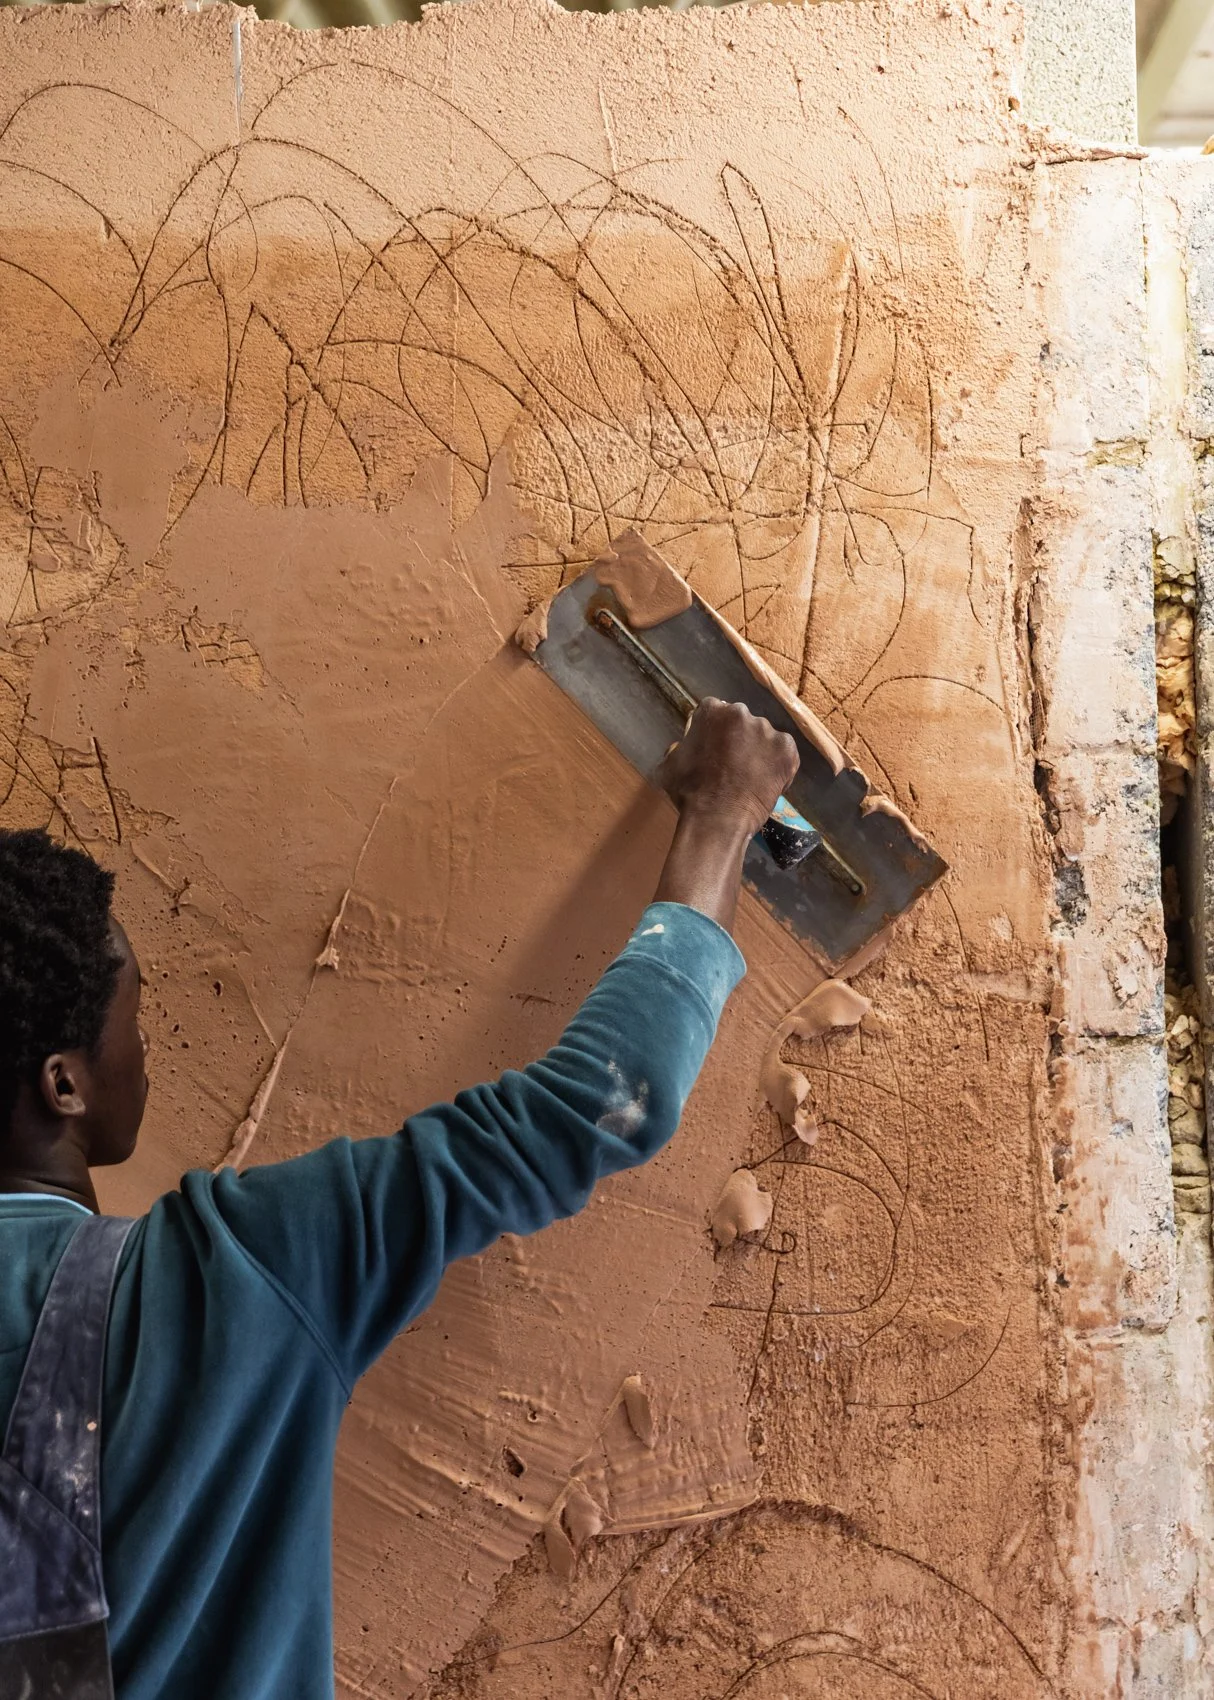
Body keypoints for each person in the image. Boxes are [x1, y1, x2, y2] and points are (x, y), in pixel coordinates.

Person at [0, 697, 798, 1700]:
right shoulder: (230, 1275)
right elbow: (599, 1104)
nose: (145, 1046)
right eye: (133, 1016)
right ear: (63, 1082)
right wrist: (722, 814)